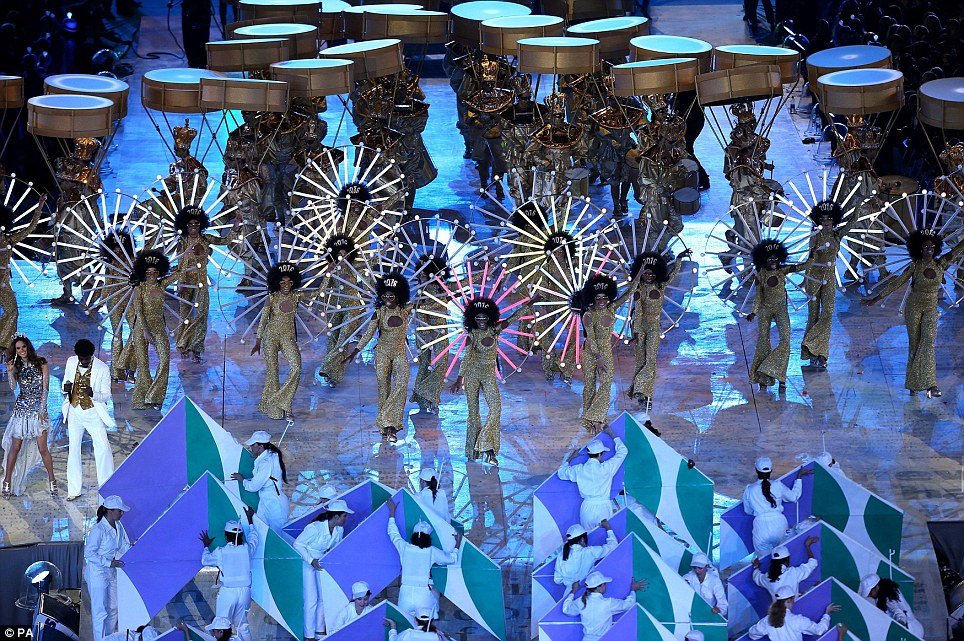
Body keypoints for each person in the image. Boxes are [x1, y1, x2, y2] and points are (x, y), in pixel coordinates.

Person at [863, 229, 964, 398]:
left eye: (932, 246)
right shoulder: (915, 266)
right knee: (915, 345)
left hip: (931, 309)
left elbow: (959, 248)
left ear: (936, 248)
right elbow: (897, 283)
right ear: (919, 249)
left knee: (928, 342)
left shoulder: (941, 264)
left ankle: (931, 384)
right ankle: (913, 384)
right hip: (913, 308)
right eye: (925, 246)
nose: (929, 249)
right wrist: (876, 298)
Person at [449, 297, 525, 464]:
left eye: (484, 317)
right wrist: (459, 379)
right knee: (473, 414)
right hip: (472, 375)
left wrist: (530, 304)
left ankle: (484, 444)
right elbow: (466, 357)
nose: (482, 320)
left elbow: (514, 317)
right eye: (478, 318)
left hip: (489, 375)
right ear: (473, 319)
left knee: (496, 409)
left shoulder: (495, 330)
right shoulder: (472, 335)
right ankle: (475, 451)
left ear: (490, 317)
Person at [343, 272, 414, 443]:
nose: (388, 298)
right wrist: (355, 351)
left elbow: (425, 300)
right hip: (382, 353)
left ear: (399, 296)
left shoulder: (406, 311)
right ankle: (388, 428)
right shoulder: (379, 313)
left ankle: (387, 419)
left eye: (391, 296)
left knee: (402, 385)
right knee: (383, 389)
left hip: (399, 353)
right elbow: (368, 334)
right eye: (385, 296)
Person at [626, 249, 692, 413]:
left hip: (654, 326)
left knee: (651, 361)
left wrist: (678, 259)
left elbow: (673, 274)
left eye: (652, 274)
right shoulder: (638, 288)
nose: (649, 276)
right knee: (641, 361)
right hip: (639, 327)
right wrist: (636, 332)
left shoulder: (660, 286)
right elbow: (638, 312)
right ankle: (642, 396)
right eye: (646, 273)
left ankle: (643, 391)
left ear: (657, 274)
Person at [172, 205, 240, 363]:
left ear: (201, 225)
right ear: (185, 225)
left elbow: (225, 241)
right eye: (190, 224)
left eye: (196, 224)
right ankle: (183, 345)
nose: (193, 227)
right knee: (185, 315)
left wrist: (235, 225)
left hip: (201, 282)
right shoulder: (182, 241)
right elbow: (181, 263)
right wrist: (181, 283)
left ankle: (196, 347)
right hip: (186, 282)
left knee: (202, 315)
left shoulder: (206, 239)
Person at [578, 271, 643, 434]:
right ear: (592, 298)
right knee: (590, 385)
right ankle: (589, 421)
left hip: (606, 352)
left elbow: (628, 293)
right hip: (590, 353)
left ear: (609, 297)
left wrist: (639, 273)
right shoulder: (588, 314)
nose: (601, 301)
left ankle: (596, 417)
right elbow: (591, 339)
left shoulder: (611, 308)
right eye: (598, 298)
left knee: (606, 384)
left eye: (604, 298)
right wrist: (598, 357)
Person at [252, 262, 315, 420]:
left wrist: (328, 275)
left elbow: (318, 293)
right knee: (273, 373)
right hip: (271, 337)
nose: (286, 285)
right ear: (277, 283)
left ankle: (283, 402)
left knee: (297, 367)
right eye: (282, 282)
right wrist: (258, 340)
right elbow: (263, 320)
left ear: (293, 282)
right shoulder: (271, 298)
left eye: (289, 282)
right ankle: (277, 410)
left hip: (288, 337)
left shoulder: (296, 296)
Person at [123, 250, 180, 410]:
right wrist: (145, 331)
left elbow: (180, 273)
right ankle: (142, 399)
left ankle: (154, 396)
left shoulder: (162, 285)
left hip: (159, 327)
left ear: (159, 272)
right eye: (148, 273)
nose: (152, 276)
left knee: (165, 359)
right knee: (143, 364)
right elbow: (139, 311)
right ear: (143, 273)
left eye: (155, 272)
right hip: (141, 328)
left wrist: (186, 254)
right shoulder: (139, 288)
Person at [746, 240, 806, 391]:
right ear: (763, 260)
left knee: (786, 340)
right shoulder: (761, 275)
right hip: (765, 310)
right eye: (770, 259)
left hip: (781, 309)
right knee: (763, 341)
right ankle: (763, 377)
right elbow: (758, 296)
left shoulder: (782, 271)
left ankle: (776, 373)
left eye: (775, 258)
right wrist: (754, 312)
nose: (773, 261)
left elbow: (803, 266)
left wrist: (812, 255)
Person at [386, 497, 458, 618]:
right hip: (423, 594)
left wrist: (392, 514)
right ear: (428, 537)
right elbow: (451, 559)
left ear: (413, 535)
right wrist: (457, 545)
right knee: (426, 625)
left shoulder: (405, 548)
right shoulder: (431, 551)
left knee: (405, 622)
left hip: (405, 594)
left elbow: (393, 533)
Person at [2, 335, 56, 497]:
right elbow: (13, 387)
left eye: (23, 347)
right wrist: (10, 372)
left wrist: (42, 410)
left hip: (37, 411)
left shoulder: (41, 362)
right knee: (15, 447)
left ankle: (52, 480)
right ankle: (7, 481)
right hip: (21, 410)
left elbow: (45, 388)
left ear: (28, 346)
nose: (21, 350)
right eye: (18, 348)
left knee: (43, 448)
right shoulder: (16, 366)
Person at [801, 201, 852, 369]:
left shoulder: (837, 235)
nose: (826, 221)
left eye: (829, 218)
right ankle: (814, 354)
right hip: (814, 278)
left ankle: (813, 345)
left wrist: (860, 202)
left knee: (828, 313)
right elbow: (810, 258)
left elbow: (853, 221)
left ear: (834, 219)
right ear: (818, 220)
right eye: (822, 219)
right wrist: (805, 278)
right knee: (813, 315)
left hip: (829, 278)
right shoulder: (815, 236)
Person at [63, 339, 115, 501]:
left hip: (93, 413)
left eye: (86, 359)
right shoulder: (71, 362)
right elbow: (66, 382)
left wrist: (93, 394)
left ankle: (106, 487)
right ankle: (74, 489)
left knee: (103, 449)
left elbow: (106, 395)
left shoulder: (102, 368)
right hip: (74, 412)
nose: (83, 361)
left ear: (92, 355)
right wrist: (66, 389)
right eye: (81, 358)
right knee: (73, 450)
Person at [294, 499, 353, 641]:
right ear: (336, 516)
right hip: (307, 563)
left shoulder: (339, 530)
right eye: (345, 516)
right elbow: (298, 544)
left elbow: (336, 549)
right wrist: (311, 560)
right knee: (311, 600)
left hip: (322, 563)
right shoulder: (315, 528)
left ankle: (319, 631)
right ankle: (309, 635)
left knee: (322, 598)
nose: (346, 519)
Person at [199, 508, 258, 641]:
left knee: (221, 626)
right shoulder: (247, 550)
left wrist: (206, 546)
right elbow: (254, 539)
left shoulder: (221, 552)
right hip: (245, 592)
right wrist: (250, 521)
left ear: (226, 537)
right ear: (241, 535)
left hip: (228, 593)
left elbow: (205, 560)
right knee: (242, 626)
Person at [557, 425, 628, 531]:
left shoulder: (579, 470)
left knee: (588, 536)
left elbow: (561, 473)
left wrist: (571, 457)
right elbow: (623, 451)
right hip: (603, 507)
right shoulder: (606, 468)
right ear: (599, 454)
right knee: (605, 534)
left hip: (587, 509)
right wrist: (611, 433)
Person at [0, 196, 46, 351]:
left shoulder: (9, 239)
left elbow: (30, 228)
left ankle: (4, 343)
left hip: (3, 284)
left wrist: (39, 207)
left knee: (12, 311)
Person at [742, 457, 812, 557]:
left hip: (760, 527)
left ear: (756, 470)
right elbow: (794, 497)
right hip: (780, 524)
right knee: (782, 555)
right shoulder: (778, 485)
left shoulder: (749, 489)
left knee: (763, 559)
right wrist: (799, 478)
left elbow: (747, 511)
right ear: (771, 471)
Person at [85, 495, 132, 641]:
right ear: (110, 511)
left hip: (110, 572)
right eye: (120, 511)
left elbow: (122, 545)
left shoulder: (118, 526)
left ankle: (108, 637)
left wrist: (134, 548)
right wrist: (108, 563)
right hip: (97, 573)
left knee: (114, 607)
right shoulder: (98, 530)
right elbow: (89, 553)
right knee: (100, 611)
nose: (122, 513)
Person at [561, 571, 648, 641]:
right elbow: (628, 604)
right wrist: (633, 590)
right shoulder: (608, 603)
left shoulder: (581, 601)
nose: (606, 586)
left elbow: (566, 610)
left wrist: (573, 592)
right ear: (599, 587)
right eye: (604, 584)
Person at [230, 431, 290, 529]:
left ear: (260, 446)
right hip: (266, 500)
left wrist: (241, 479)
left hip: (274, 504)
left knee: (278, 534)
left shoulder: (265, 462)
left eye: (253, 445)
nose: (251, 448)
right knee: (260, 529)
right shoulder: (271, 455)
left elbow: (254, 486)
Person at [748, 586, 841, 641]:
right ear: (789, 600)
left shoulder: (766, 621)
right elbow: (819, 630)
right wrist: (827, 614)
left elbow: (752, 634)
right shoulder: (798, 620)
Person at [553, 520, 618, 587]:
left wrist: (569, 584)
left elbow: (557, 580)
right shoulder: (589, 552)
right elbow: (613, 546)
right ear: (582, 539)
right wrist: (608, 528)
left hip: (569, 591)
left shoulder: (561, 555)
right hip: (587, 589)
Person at [752, 538, 819, 601]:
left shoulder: (767, 577)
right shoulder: (793, 573)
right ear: (787, 560)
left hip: (777, 609)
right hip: (794, 605)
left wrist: (756, 567)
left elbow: (756, 578)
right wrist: (807, 546)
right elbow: (813, 563)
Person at [859, 574, 924, 637]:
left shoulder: (887, 598)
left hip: (912, 631)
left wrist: (901, 627)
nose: (869, 596)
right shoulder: (885, 592)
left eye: (870, 593)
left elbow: (899, 612)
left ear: (876, 587)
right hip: (914, 628)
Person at [385, 607, 452, 640]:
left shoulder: (408, 634)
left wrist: (393, 626)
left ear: (416, 620)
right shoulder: (437, 636)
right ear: (431, 621)